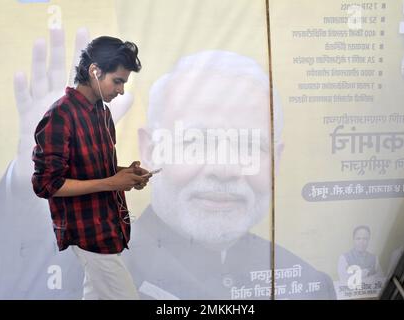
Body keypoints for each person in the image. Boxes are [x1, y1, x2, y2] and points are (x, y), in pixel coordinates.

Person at [122, 50, 336, 300]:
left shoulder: (307, 287)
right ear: (150, 150)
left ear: (275, 162)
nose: (224, 170)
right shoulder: (90, 272)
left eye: (249, 146)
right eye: (196, 142)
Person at [31, 35, 151, 300]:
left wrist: (125, 174)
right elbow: (46, 184)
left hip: (109, 226)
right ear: (95, 71)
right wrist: (112, 182)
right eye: (117, 81)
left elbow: (96, 168)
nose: (120, 90)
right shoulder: (60, 115)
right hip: (88, 231)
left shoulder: (102, 112)